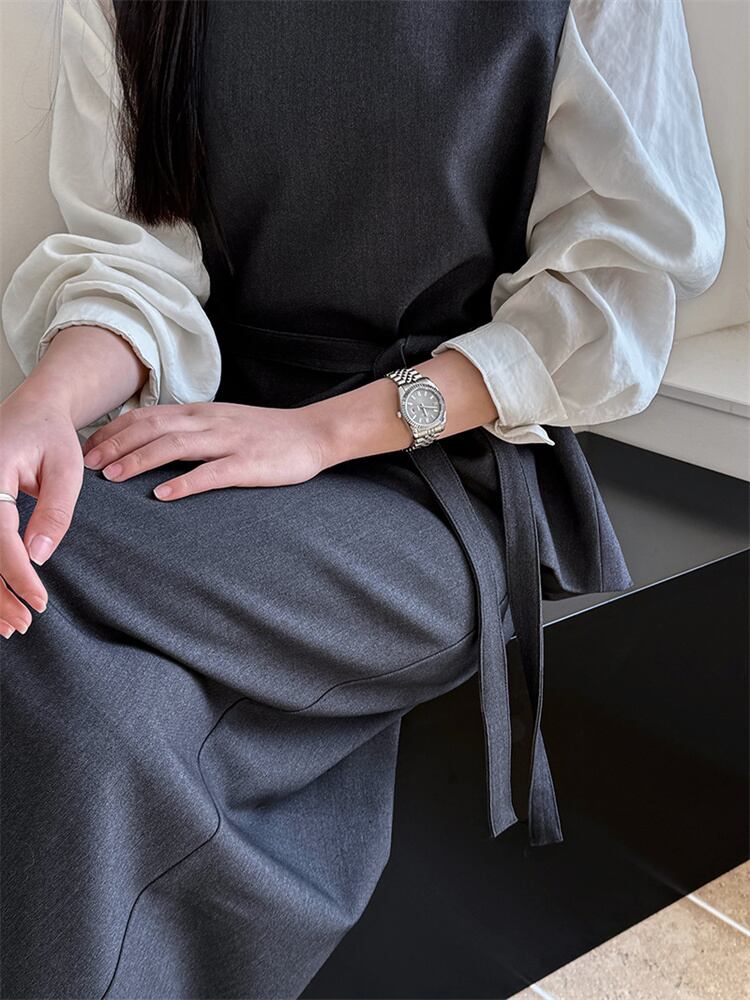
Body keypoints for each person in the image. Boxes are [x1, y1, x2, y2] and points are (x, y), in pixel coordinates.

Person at [0, 0, 724, 996]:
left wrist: (320, 433)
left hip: (440, 478)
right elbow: (135, 264)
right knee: (101, 730)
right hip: (211, 448)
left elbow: (608, 297)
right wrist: (41, 407)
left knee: (39, 549)